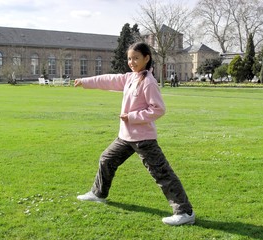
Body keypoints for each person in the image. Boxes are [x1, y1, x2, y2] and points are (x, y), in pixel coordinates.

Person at [74, 42, 194, 226]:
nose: (132, 61)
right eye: (130, 58)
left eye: (136, 58)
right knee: (107, 159)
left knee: (162, 174)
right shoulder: (131, 77)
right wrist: (85, 81)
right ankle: (98, 194)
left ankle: (185, 212)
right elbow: (109, 80)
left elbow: (158, 109)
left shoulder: (149, 82)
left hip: (144, 138)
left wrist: (131, 116)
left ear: (146, 58)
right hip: (125, 137)